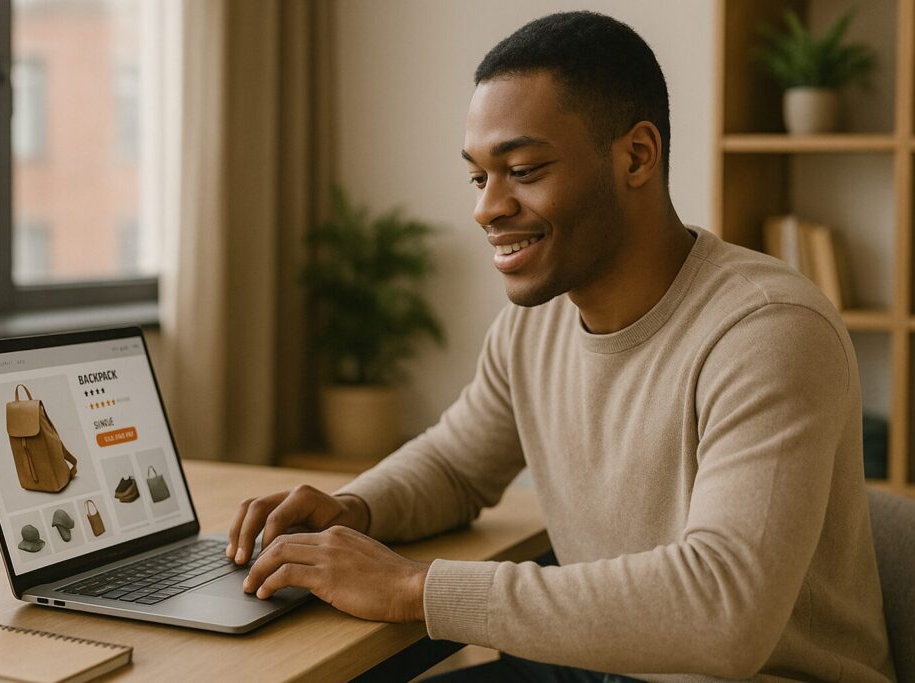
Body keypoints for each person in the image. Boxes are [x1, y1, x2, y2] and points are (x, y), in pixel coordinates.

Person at [225, 11, 895, 682]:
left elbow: (725, 612)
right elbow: (457, 465)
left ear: (636, 155)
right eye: (478, 177)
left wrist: (414, 587)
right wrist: (355, 508)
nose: (488, 207)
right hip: (598, 666)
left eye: (521, 169)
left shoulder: (767, 329)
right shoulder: (537, 321)